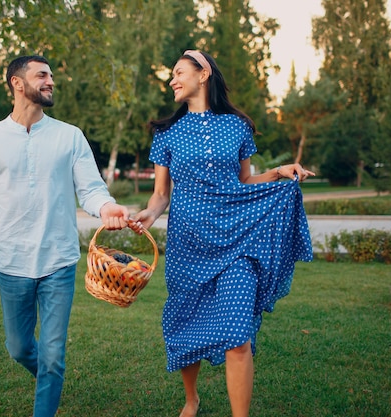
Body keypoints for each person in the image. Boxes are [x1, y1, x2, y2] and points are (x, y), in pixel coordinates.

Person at [0, 54, 131, 417]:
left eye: (50, 76)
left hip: (58, 261)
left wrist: (107, 208)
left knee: (52, 355)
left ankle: (50, 383)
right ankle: (51, 377)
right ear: (17, 83)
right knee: (18, 348)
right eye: (41, 75)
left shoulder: (69, 136)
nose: (50, 81)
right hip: (11, 263)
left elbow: (91, 189)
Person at [131, 50, 315, 417]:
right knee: (187, 323)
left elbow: (245, 180)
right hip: (188, 243)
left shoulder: (238, 126)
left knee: (238, 336)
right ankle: (191, 398)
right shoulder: (167, 133)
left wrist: (279, 172)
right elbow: (161, 194)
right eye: (172, 75)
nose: (172, 80)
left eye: (179, 72)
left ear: (204, 74)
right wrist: (149, 215)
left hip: (236, 242)